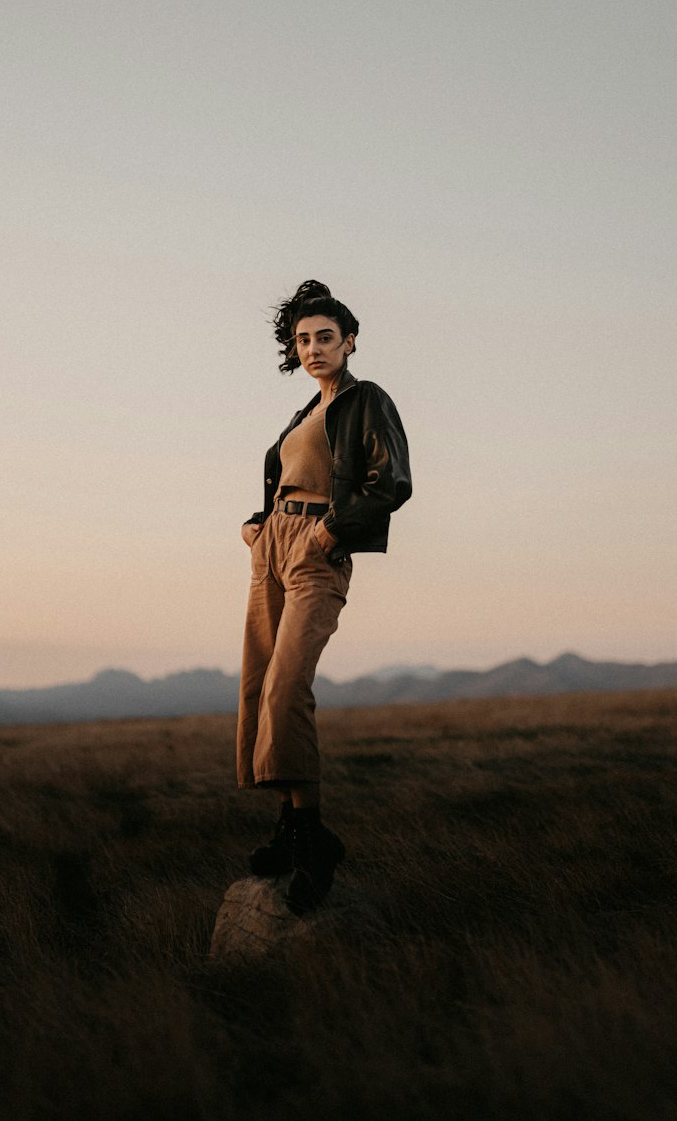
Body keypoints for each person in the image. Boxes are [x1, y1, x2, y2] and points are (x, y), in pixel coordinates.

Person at [237, 280, 412, 914]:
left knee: (288, 688)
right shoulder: (303, 413)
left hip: (316, 550)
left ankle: (313, 838)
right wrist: (256, 525)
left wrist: (330, 532)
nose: (313, 348)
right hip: (272, 550)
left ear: (350, 341)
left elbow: (390, 481)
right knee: (260, 688)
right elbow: (285, 479)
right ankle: (290, 824)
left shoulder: (366, 400)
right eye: (303, 339)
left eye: (325, 337)